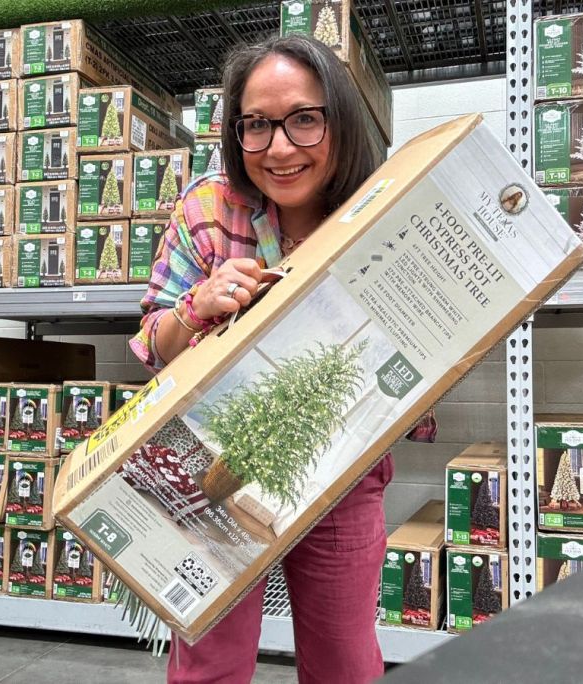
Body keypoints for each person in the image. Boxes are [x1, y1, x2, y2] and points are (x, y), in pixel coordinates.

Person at [130, 34, 435, 684]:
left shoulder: (380, 210)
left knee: (345, 664)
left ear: (339, 121)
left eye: (303, 119)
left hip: (341, 472)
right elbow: (153, 340)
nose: (279, 148)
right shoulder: (209, 209)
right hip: (215, 467)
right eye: (256, 126)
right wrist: (194, 308)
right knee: (208, 662)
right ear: (234, 132)